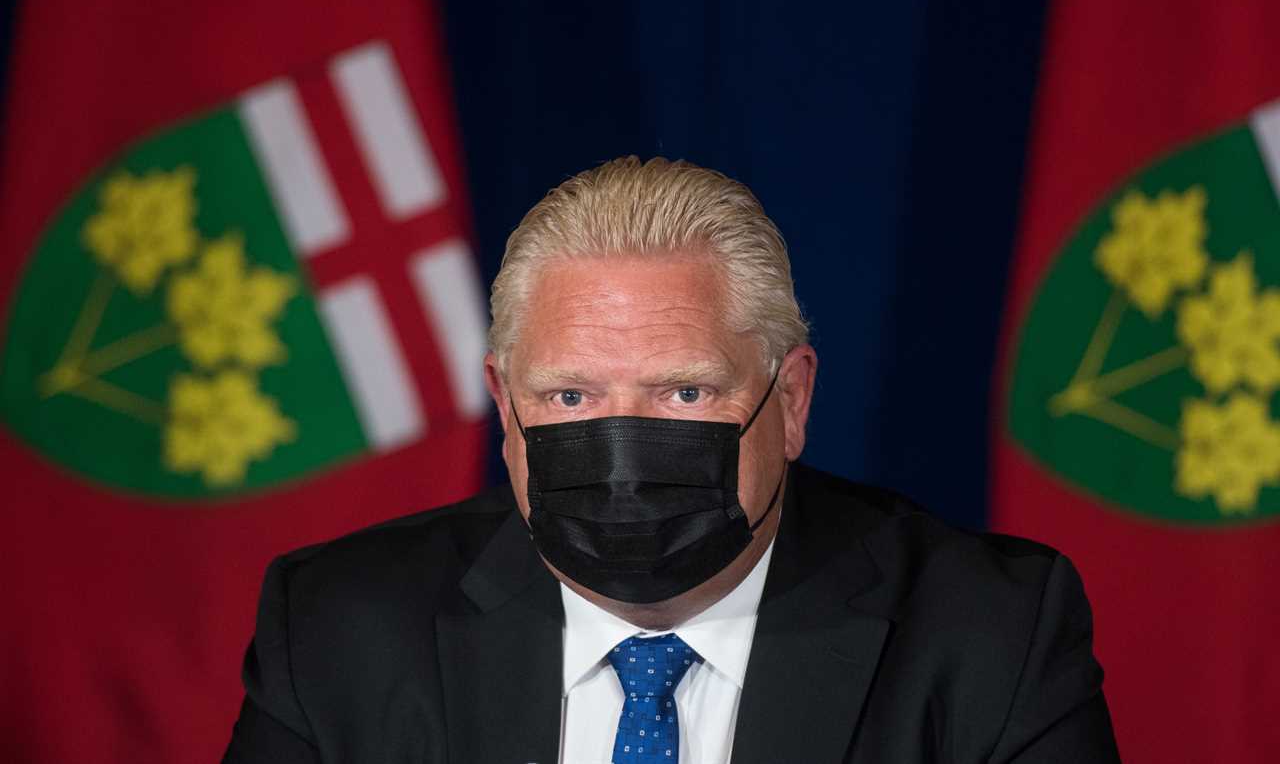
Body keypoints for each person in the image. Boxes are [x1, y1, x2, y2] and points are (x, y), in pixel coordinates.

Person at [222, 157, 1121, 763]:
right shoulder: (338, 631)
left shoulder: (989, 637)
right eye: (570, 397)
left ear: (792, 399)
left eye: (684, 393)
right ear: (504, 404)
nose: (621, 457)